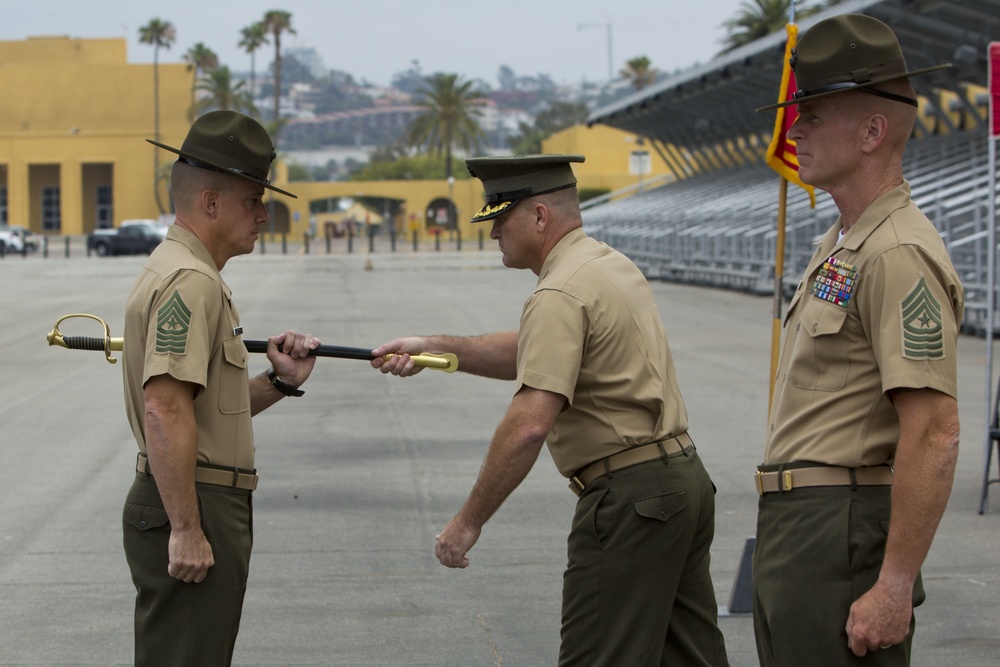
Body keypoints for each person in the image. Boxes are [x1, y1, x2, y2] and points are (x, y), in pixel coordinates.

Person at [371, 154, 730, 667]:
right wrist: (431, 347)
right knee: (688, 656)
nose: (493, 231)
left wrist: (467, 522)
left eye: (501, 216)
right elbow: (535, 349)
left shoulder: (560, 290)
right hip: (681, 483)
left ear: (539, 217)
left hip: (632, 502)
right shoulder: (604, 264)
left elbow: (529, 426)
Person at [753, 14, 964, 667]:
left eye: (813, 114)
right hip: (802, 529)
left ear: (873, 131)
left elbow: (934, 430)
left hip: (839, 532)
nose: (795, 130)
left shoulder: (897, 251)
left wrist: (895, 584)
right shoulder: (847, 241)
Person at [121, 110, 321, 666]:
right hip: (194, 499)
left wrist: (279, 380)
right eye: (252, 200)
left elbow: (203, 408)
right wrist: (186, 528)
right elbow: (162, 408)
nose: (263, 214)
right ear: (210, 203)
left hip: (199, 494)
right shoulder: (191, 282)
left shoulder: (189, 273)